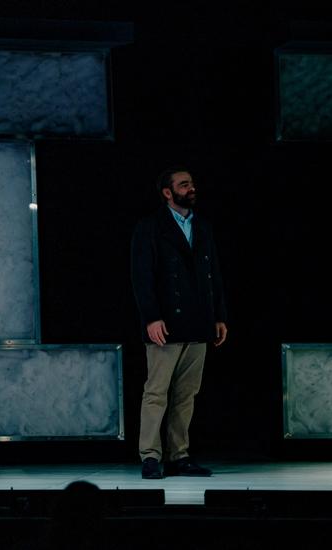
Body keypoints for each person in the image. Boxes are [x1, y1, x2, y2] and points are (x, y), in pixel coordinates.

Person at [131, 167, 228, 479]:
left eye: (191, 184)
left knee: (186, 394)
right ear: (167, 192)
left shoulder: (202, 226)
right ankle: (150, 456)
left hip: (199, 321)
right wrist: (151, 317)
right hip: (165, 323)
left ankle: (179, 455)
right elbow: (141, 276)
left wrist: (219, 316)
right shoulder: (150, 227)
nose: (191, 188)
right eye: (184, 185)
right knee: (156, 392)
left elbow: (213, 273)